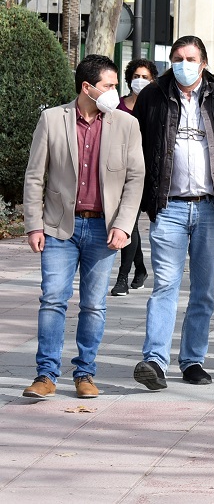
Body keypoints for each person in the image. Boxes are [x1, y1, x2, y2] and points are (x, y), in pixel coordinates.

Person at [132, 36, 214, 390]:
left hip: (210, 208)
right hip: (168, 207)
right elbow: (137, 145)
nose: (183, 64)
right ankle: (155, 360)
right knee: (165, 286)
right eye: (177, 57)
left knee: (203, 290)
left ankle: (192, 361)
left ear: (204, 63)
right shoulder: (153, 97)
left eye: (191, 58)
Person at [21, 55, 145, 399]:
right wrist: (34, 225)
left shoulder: (125, 124)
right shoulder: (52, 120)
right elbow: (34, 177)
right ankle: (45, 375)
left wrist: (124, 225)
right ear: (87, 88)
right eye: (109, 85)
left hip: (103, 230)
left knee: (94, 305)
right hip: (59, 227)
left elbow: (136, 179)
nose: (115, 91)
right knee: (53, 300)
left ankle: (85, 374)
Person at [110, 58, 157, 296]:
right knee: (129, 222)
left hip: (143, 173)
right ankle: (140, 268)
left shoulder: (156, 106)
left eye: (145, 77)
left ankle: (122, 278)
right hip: (117, 173)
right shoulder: (117, 106)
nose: (139, 81)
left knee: (129, 223)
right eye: (136, 76)